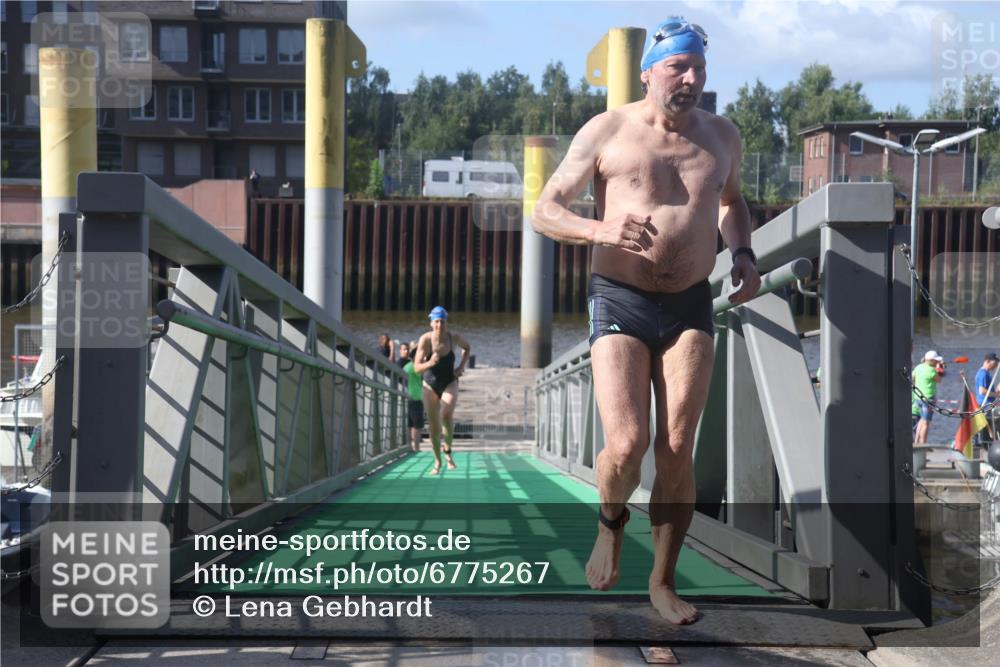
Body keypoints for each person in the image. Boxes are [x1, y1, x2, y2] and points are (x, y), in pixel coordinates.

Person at [531, 17, 760, 625]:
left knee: (678, 446)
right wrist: (601, 229)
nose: (691, 79)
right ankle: (610, 523)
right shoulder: (607, 129)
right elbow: (545, 210)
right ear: (648, 72)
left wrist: (743, 253)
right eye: (679, 67)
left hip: (690, 302)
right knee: (627, 444)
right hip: (620, 298)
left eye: (699, 69)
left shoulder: (722, 136)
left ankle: (662, 580)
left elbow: (732, 201)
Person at [412, 307, 471, 474]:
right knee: (434, 427)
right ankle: (437, 461)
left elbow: (467, 348)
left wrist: (461, 366)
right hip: (429, 384)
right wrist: (430, 362)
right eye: (436, 322)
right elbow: (416, 368)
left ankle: (448, 450)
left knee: (445, 415)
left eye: (443, 322)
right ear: (431, 323)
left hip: (449, 381)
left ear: (447, 322)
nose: (440, 325)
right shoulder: (425, 339)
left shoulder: (454, 337)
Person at [912, 350, 943, 445]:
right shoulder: (931, 370)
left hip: (918, 398)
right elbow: (939, 380)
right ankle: (923, 444)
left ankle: (916, 441)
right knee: (926, 422)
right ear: (931, 360)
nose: (937, 362)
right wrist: (938, 369)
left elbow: (912, 378)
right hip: (928, 399)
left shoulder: (918, 367)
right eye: (936, 361)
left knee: (922, 420)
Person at [401, 341, 424, 452]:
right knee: (417, 425)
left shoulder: (407, 366)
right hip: (415, 398)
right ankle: (417, 448)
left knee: (409, 424)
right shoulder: (415, 366)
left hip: (408, 397)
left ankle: (410, 447)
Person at [975, 352, 998, 445]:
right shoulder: (983, 374)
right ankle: (985, 443)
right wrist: (996, 395)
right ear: (988, 361)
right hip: (985, 404)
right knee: (988, 426)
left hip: (986, 403)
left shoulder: (986, 373)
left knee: (986, 425)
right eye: (994, 364)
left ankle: (981, 442)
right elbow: (982, 391)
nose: (995, 367)